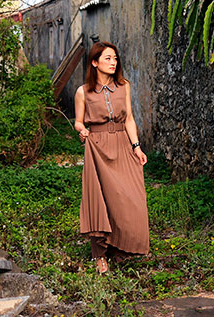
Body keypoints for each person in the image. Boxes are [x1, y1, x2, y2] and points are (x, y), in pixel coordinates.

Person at [74, 41, 149, 274]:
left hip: (122, 145)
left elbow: (129, 119)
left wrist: (136, 146)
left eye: (115, 58)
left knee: (130, 197)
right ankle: (100, 256)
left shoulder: (123, 86)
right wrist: (81, 130)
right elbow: (78, 120)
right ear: (94, 62)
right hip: (97, 147)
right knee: (100, 199)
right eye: (108, 58)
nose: (113, 62)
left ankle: (121, 247)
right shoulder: (82, 92)